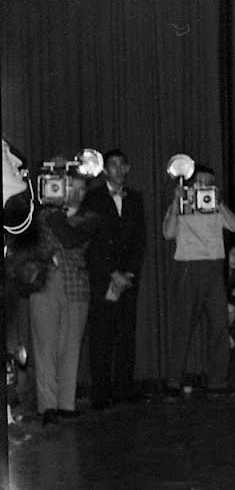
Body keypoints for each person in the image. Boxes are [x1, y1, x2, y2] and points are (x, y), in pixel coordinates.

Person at [162, 162, 235, 397]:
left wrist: (219, 202)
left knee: (219, 325)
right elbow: (167, 233)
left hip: (214, 268)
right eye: (200, 182)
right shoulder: (183, 204)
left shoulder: (215, 206)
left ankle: (217, 381)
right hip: (189, 268)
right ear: (191, 183)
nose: (204, 186)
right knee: (183, 326)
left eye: (209, 183)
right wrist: (177, 202)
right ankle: (174, 381)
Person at [28, 171, 98, 424]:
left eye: (81, 189)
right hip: (45, 282)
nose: (76, 193)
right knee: (45, 346)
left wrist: (56, 212)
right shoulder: (40, 213)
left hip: (75, 285)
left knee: (70, 347)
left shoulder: (89, 217)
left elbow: (70, 239)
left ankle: (66, 404)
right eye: (71, 187)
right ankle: (48, 406)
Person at [81, 149, 146, 409]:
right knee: (102, 335)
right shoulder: (93, 197)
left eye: (122, 164)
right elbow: (91, 241)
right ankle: (100, 393)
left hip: (127, 277)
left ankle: (123, 389)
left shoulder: (135, 198)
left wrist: (128, 273)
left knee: (126, 334)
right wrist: (112, 273)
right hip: (103, 276)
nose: (118, 169)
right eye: (113, 165)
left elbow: (139, 240)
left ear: (128, 168)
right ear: (105, 170)